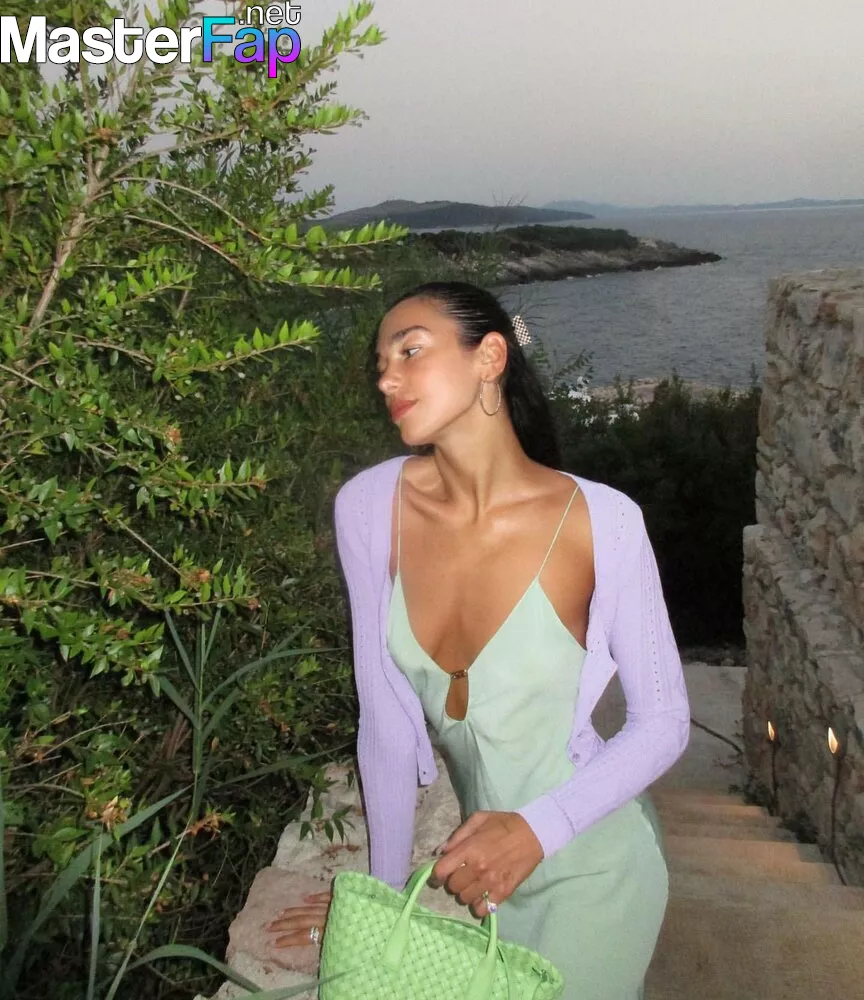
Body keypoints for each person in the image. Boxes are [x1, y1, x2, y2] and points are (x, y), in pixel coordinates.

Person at [267, 280, 690, 999]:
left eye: (410, 351)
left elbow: (665, 721)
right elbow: (385, 727)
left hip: (595, 871)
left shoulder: (602, 522)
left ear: (490, 357)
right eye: (380, 364)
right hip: (484, 884)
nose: (387, 378)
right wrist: (382, 906)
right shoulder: (369, 508)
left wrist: (535, 830)